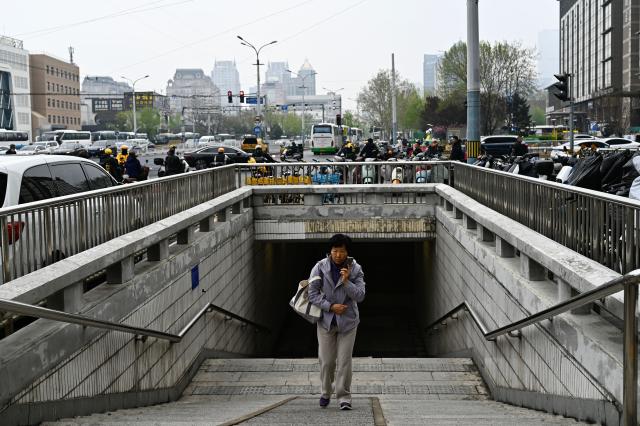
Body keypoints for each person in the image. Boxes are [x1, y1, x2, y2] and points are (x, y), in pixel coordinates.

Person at [308, 234, 366, 411]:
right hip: (326, 321)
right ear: (330, 252)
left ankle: (344, 397)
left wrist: (347, 281)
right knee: (326, 361)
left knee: (344, 361)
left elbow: (360, 296)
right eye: (335, 251)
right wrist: (331, 306)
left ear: (347, 252)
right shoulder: (319, 267)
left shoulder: (355, 269)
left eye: (341, 251)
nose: (338, 255)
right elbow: (312, 294)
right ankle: (326, 392)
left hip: (348, 323)